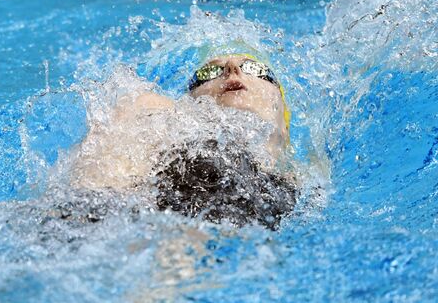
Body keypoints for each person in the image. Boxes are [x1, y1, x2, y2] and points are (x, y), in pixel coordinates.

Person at [71, 40, 298, 229]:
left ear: (284, 121)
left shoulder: (302, 185)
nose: (231, 68)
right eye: (209, 72)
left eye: (255, 69)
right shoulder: (165, 125)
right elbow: (91, 198)